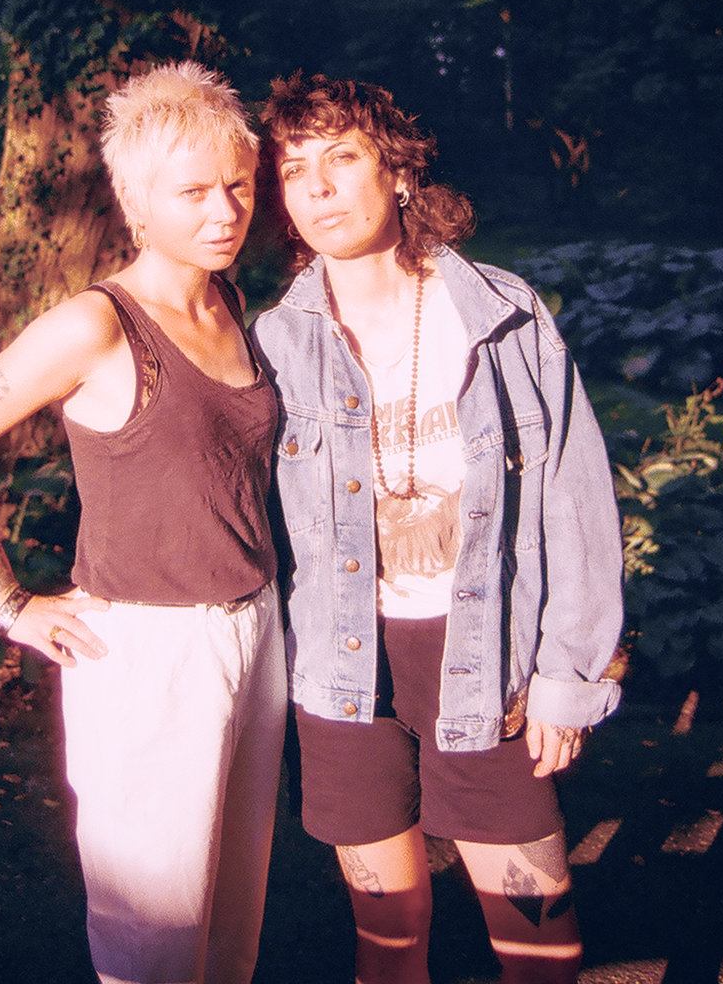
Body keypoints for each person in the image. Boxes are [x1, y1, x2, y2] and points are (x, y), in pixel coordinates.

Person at [250, 73, 624, 984]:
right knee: (388, 936)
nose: (318, 188)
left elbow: (575, 497)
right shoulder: (274, 342)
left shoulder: (501, 315)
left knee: (539, 938)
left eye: (342, 158)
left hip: (486, 656)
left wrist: (568, 676)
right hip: (344, 670)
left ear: (401, 173)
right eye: (295, 170)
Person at [0, 62, 287, 984]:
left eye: (239, 185)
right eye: (193, 192)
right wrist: (9, 605)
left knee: (233, 928)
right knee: (154, 934)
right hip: (152, 654)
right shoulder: (99, 324)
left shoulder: (228, 301)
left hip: (256, 629)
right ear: (134, 202)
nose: (225, 212)